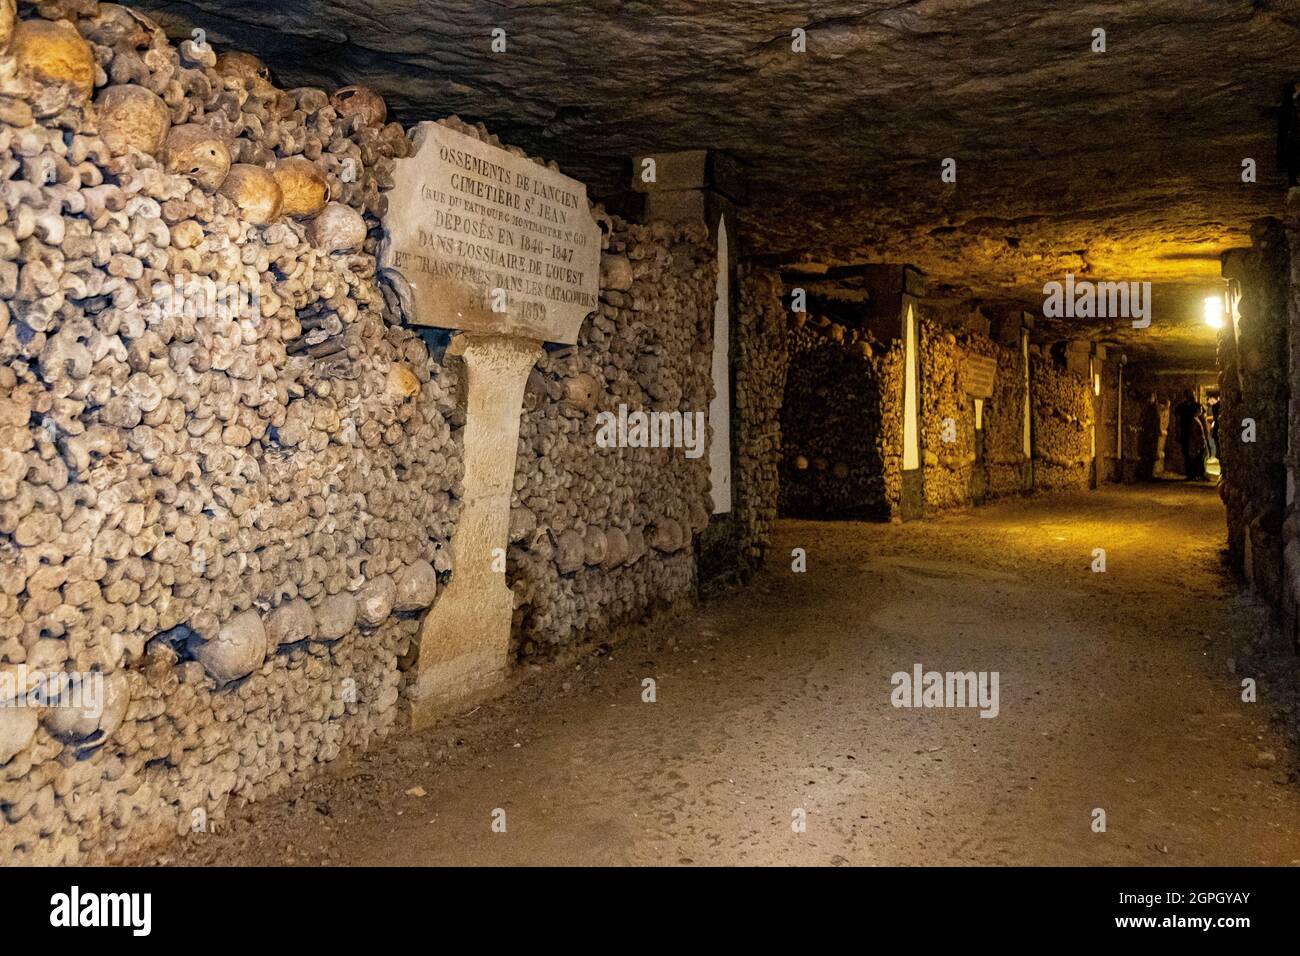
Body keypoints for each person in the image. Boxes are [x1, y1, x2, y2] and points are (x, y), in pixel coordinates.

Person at [1172, 389, 1204, 480]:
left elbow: (1202, 420)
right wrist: (1177, 432)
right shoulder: (1181, 407)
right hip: (1186, 433)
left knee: (1198, 454)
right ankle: (1191, 474)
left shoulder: (1197, 406)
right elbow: (1177, 421)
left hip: (1194, 434)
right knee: (1187, 454)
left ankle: (1198, 473)